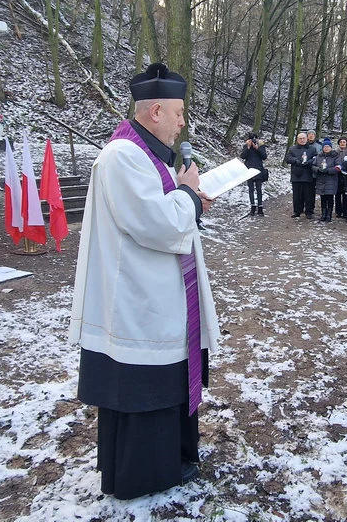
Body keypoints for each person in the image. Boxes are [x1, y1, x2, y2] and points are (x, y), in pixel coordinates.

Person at [70, 63, 218, 500]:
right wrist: (188, 195)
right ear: (156, 111)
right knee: (143, 389)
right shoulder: (123, 157)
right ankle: (143, 475)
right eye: (179, 113)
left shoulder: (147, 156)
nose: (182, 122)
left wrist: (190, 199)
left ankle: (172, 459)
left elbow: (165, 212)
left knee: (164, 384)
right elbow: (158, 224)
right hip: (137, 299)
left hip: (156, 294)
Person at [286, 132, 317, 219]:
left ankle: (309, 212)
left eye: (304, 138)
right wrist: (296, 160)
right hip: (297, 175)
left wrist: (309, 162)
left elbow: (315, 158)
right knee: (297, 195)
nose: (302, 140)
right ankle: (297, 211)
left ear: (306, 139)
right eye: (300, 138)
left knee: (309, 195)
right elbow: (288, 158)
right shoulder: (292, 149)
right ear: (297, 140)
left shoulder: (312, 149)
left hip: (308, 174)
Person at [312, 139, 343, 222]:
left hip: (331, 180)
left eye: (328, 146)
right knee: (322, 198)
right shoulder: (319, 156)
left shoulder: (335, 156)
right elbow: (313, 166)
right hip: (321, 179)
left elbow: (339, 167)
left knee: (329, 197)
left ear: (331, 147)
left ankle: (329, 215)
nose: (326, 148)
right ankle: (323, 214)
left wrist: (329, 170)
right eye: (325, 146)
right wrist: (318, 169)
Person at [240, 133, 267, 217]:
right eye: (251, 139)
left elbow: (264, 156)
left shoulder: (261, 145)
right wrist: (248, 148)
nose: (253, 141)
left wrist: (257, 148)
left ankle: (260, 208)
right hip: (249, 170)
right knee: (251, 189)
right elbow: (243, 156)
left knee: (259, 189)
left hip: (258, 169)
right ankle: (252, 207)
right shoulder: (246, 146)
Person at [334, 137, 347, 217]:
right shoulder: (335, 152)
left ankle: (345, 211)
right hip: (337, 174)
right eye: (341, 142)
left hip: (346, 174)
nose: (342, 143)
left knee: (346, 194)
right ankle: (338, 211)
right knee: (337, 194)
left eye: (344, 142)